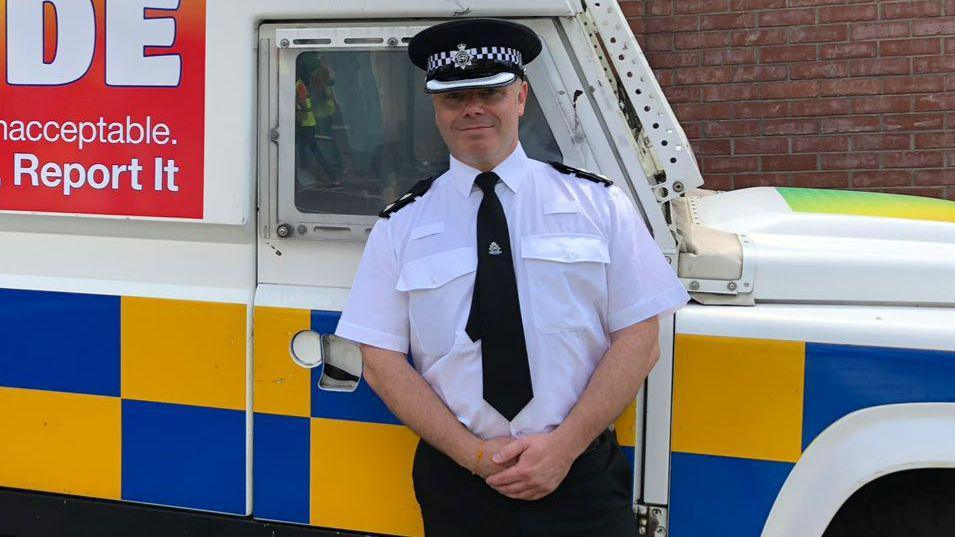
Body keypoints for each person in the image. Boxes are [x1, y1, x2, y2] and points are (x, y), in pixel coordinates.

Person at [334, 18, 689, 537]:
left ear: (520, 97)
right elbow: (380, 359)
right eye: (455, 97)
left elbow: (640, 337)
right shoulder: (401, 225)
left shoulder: (598, 203)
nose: (473, 108)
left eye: (490, 92)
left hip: (579, 475)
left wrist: (563, 448)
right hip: (460, 480)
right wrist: (474, 455)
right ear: (436, 109)